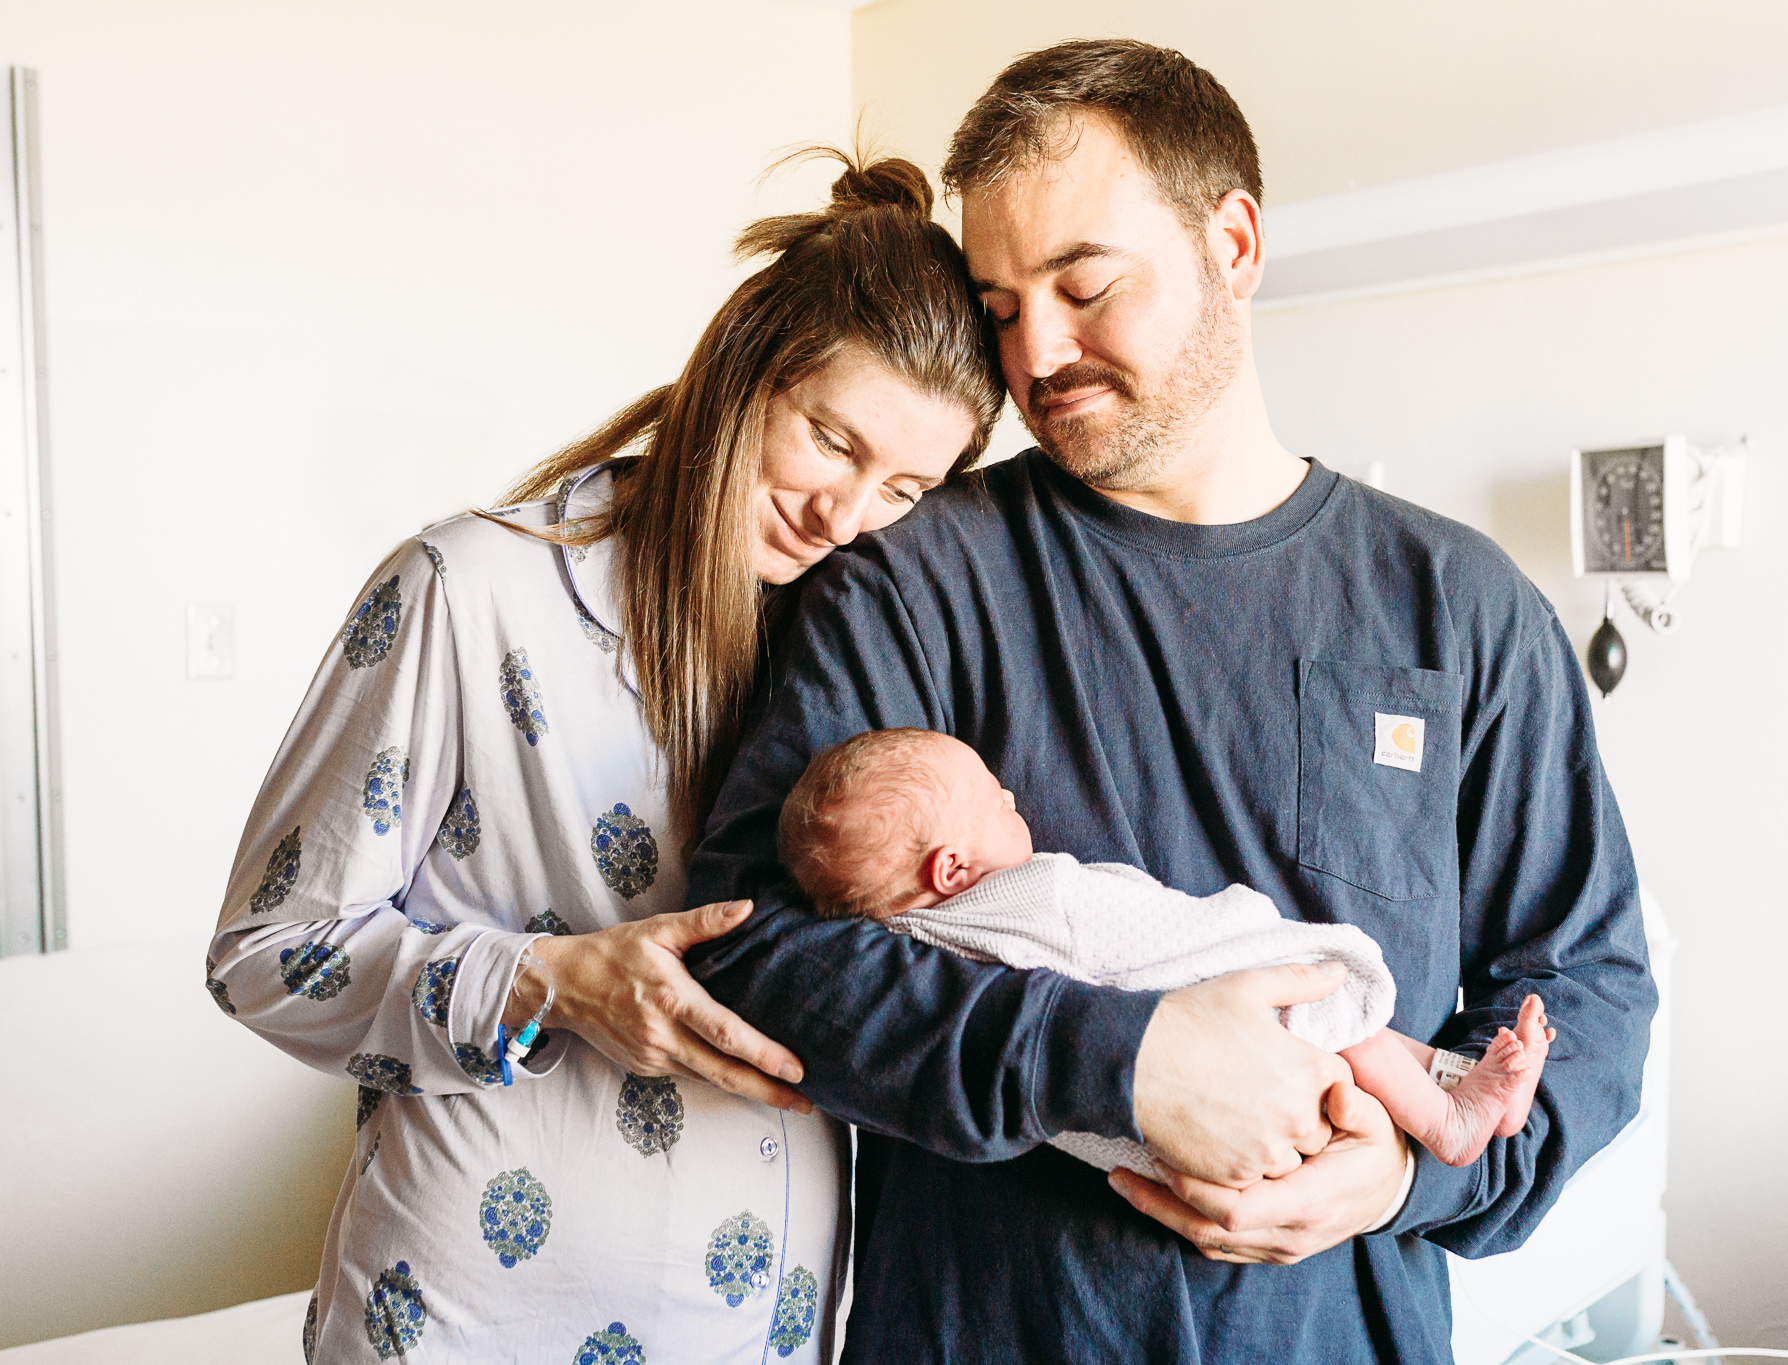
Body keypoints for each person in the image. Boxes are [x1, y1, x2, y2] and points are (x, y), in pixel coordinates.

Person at [688, 39, 1657, 1364]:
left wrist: (1407, 1176)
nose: (1038, 350)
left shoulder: (1460, 610)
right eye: (1000, 305)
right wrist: (1116, 1062)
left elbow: (1585, 982)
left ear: (1236, 243)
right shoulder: (915, 580)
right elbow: (755, 947)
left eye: (1085, 286)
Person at [204, 152, 1004, 1364]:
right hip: (467, 1317)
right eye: (831, 441)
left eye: (904, 485)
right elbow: (267, 956)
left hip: (768, 1326)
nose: (844, 515)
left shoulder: (875, 656)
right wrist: (553, 984)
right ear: (741, 370)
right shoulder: (468, 590)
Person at [776, 725, 1555, 1173]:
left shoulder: (894, 947)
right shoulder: (1030, 899)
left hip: (1149, 1148)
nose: (1012, 796)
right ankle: (1448, 1119)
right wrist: (1236, 927)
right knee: (1337, 1018)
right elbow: (1136, 927)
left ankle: (1457, 1075)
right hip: (1196, 1049)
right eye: (992, 798)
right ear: (951, 868)